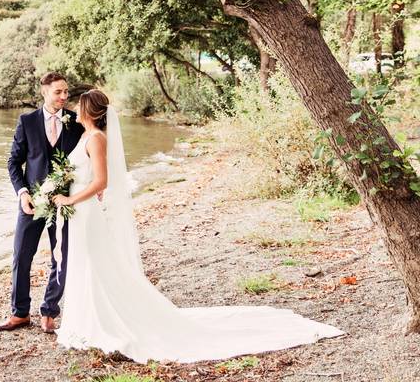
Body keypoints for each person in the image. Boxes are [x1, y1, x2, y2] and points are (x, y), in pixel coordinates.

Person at [51, 89, 344, 362]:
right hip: (81, 212)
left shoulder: (97, 139)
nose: (75, 108)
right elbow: (91, 178)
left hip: (84, 210)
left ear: (89, 110)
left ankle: (105, 321)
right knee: (86, 265)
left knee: (95, 266)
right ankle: (88, 320)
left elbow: (102, 181)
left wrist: (70, 198)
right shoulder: (86, 135)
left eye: (79, 105)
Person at [0, 72, 84, 333]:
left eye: (66, 92)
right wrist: (22, 193)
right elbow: (13, 162)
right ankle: (20, 313)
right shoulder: (27, 121)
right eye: (58, 92)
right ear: (44, 92)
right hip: (31, 202)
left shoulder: (76, 123)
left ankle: (49, 310)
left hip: (64, 202)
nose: (64, 96)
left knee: (62, 257)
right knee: (22, 255)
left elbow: (87, 157)